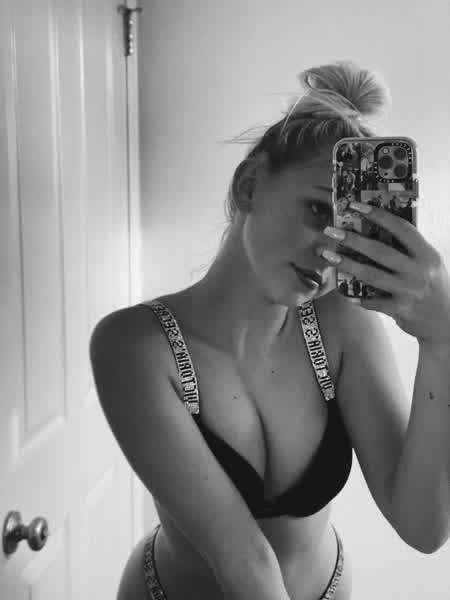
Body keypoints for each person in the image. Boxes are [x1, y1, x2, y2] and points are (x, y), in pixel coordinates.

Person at [89, 60, 446, 600]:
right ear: (250, 185)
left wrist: (441, 344)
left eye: (352, 232)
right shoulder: (134, 346)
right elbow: (246, 561)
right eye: (316, 210)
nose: (330, 253)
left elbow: (423, 527)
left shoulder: (342, 326)